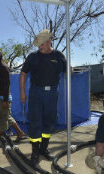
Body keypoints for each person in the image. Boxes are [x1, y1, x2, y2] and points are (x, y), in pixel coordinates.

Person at [19, 30, 66, 165]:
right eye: (38, 44)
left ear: (49, 41)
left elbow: (67, 70)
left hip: (52, 93)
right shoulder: (33, 57)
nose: (40, 47)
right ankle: (35, 152)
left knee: (49, 121)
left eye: (42, 44)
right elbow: (23, 74)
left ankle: (44, 148)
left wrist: (70, 69)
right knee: (35, 122)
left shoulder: (58, 56)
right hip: (36, 93)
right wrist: (22, 92)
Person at [0, 48, 26, 147]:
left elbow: (7, 85)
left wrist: (5, 100)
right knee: (7, 117)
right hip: (0, 97)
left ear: (0, 56)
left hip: (4, 98)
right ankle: (20, 133)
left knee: (1, 119)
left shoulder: (3, 67)